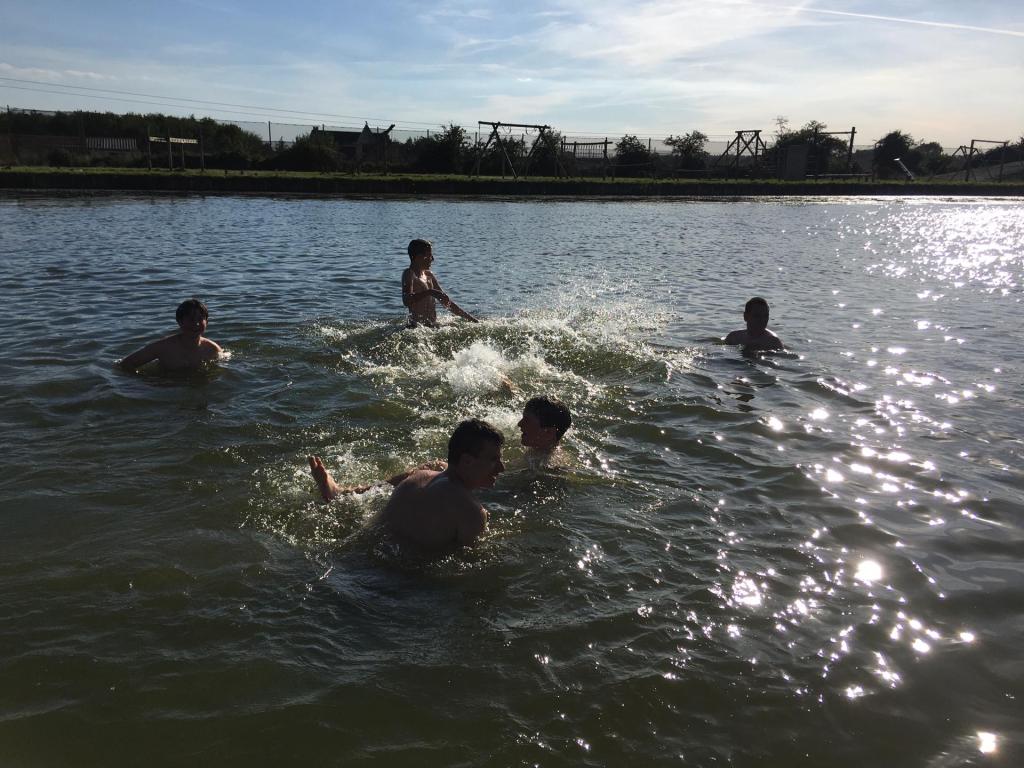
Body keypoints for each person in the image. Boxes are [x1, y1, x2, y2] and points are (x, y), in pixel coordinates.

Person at [308, 419, 504, 552]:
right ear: (467, 461)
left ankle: (343, 493)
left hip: (360, 545)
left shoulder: (420, 476)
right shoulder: (471, 512)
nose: (501, 468)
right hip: (388, 580)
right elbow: (467, 566)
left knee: (436, 465)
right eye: (494, 460)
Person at [118, 298, 223, 372]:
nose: (196, 324)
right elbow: (125, 364)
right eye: (191, 319)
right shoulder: (163, 347)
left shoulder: (212, 349)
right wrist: (146, 383)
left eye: (200, 319)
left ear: (207, 322)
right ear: (180, 321)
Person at [401, 238, 479, 327]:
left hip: (431, 326)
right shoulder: (409, 274)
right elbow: (406, 300)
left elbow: (447, 302)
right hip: (416, 328)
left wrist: (471, 319)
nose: (432, 259)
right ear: (419, 257)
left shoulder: (429, 275)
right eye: (429, 255)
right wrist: (430, 292)